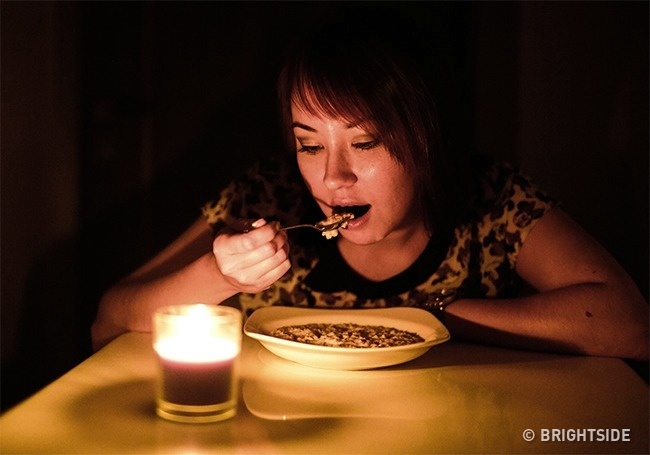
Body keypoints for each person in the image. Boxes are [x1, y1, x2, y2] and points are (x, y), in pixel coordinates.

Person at [91, 16, 648, 362]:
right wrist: (220, 275)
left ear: (426, 140)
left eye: (366, 142)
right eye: (310, 145)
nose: (334, 177)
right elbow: (109, 324)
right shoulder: (264, 196)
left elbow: (630, 325)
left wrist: (433, 317)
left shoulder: (492, 199)